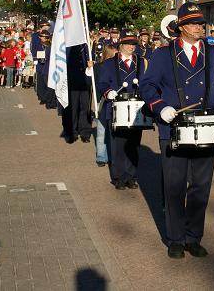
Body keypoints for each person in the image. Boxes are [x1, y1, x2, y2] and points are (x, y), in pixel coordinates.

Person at [140, 2, 214, 259]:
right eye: (193, 23)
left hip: (206, 125)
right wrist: (159, 106)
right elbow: (147, 86)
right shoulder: (163, 54)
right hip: (173, 126)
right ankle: (175, 238)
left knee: (201, 187)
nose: (198, 27)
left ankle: (194, 236)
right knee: (174, 187)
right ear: (180, 27)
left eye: (201, 23)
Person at [98, 30, 148, 189]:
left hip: (136, 109)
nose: (131, 47)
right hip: (116, 109)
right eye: (128, 43)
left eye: (133, 44)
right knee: (118, 146)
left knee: (134, 144)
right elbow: (102, 84)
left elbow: (147, 83)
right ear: (120, 45)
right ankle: (118, 177)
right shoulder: (109, 63)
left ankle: (131, 176)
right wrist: (108, 93)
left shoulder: (142, 62)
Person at [92, 44, 118, 167]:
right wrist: (89, 70)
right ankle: (102, 157)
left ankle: (113, 156)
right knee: (102, 129)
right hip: (102, 101)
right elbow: (92, 83)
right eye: (115, 53)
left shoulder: (118, 66)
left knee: (114, 130)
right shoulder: (98, 66)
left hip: (116, 102)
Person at [61, 44, 92, 142]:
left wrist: (91, 65)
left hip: (85, 80)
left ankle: (85, 132)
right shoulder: (68, 45)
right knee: (72, 108)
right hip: (71, 79)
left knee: (85, 107)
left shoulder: (86, 45)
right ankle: (71, 132)